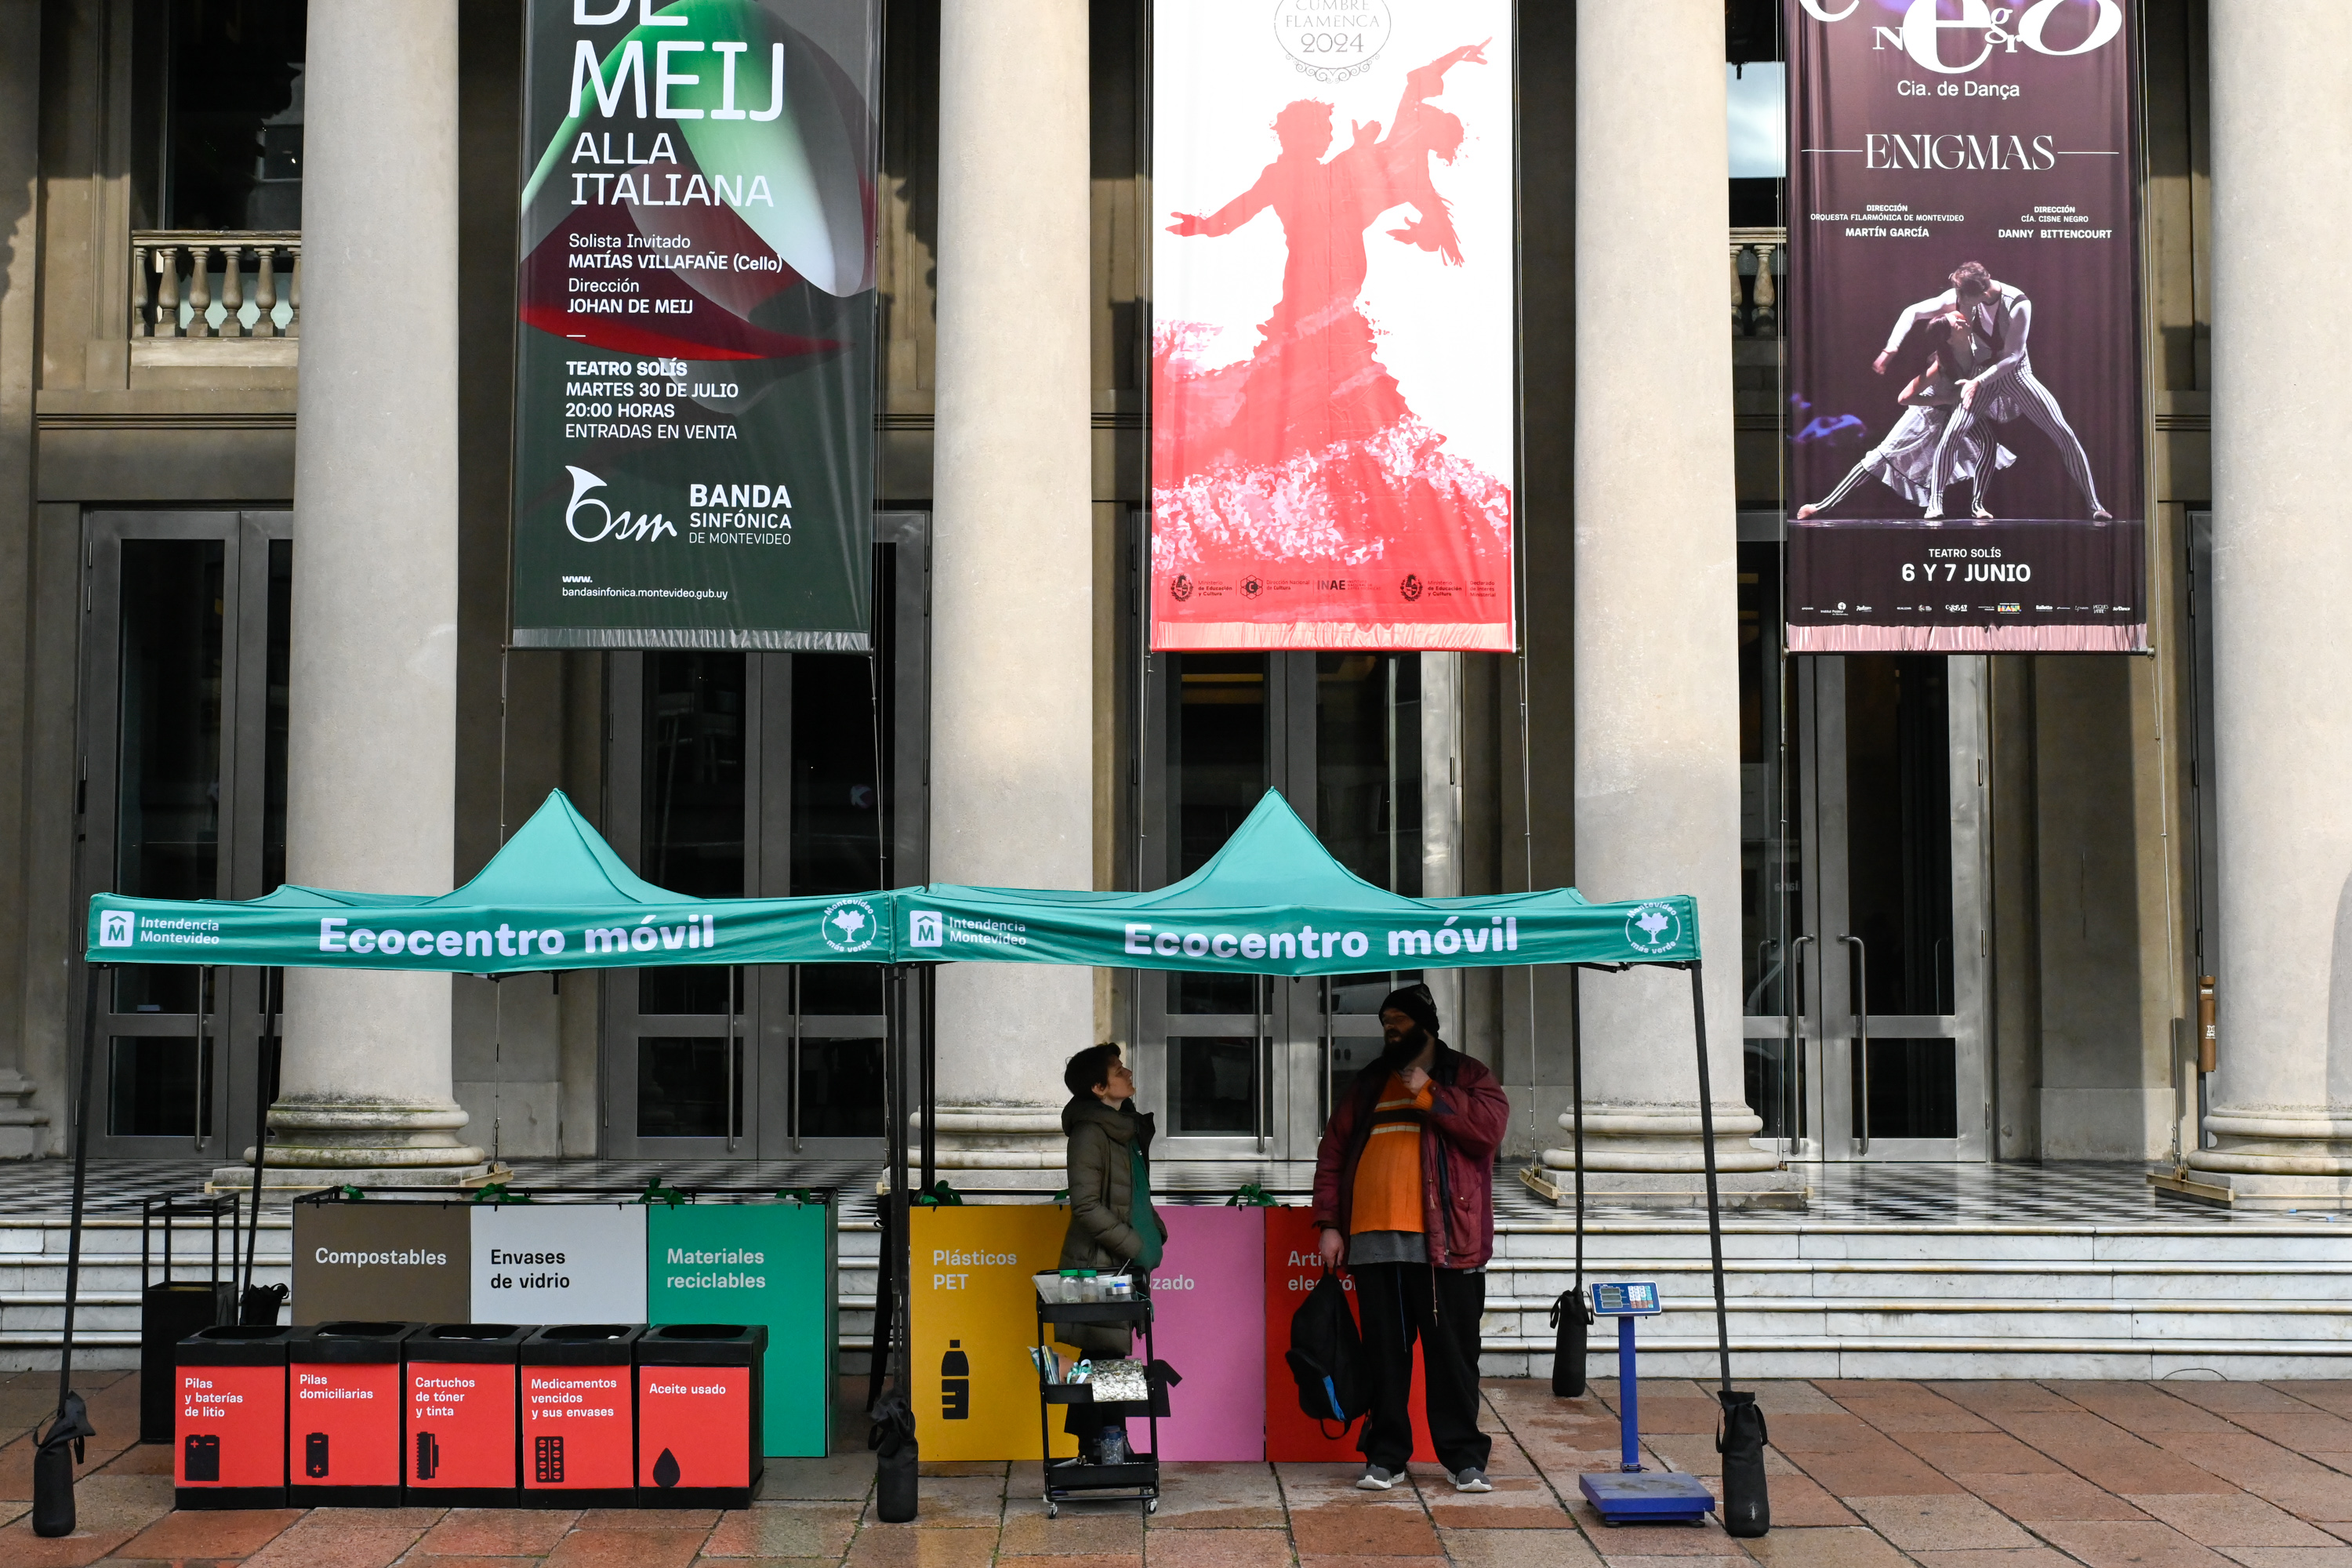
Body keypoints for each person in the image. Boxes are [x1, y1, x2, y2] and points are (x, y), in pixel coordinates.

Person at [1312, 984, 1510, 1493]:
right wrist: (1331, 1224)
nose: (1390, 1029)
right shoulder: (1369, 1082)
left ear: (1426, 1024)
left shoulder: (1467, 1076)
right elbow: (1333, 1154)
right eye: (1385, 1022)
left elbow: (1487, 1130)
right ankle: (1386, 1457)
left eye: (1399, 1020)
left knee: (1454, 1359)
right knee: (1384, 1360)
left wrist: (1430, 1091)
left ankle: (1464, 1460)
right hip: (1374, 1246)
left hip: (1446, 1246)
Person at [1875, 261, 2110, 522]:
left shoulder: (2018, 303)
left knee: (2063, 432)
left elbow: (2013, 355)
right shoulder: (1961, 297)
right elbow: (1913, 312)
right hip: (1979, 374)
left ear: (1980, 291)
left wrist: (1978, 382)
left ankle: (2094, 503)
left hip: (2015, 375)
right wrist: (1891, 348)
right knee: (1952, 433)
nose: (1958, 300)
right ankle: (1935, 503)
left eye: (1963, 295)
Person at [1052, 1043, 1167, 1465]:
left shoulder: (1124, 1129)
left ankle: (1102, 1445)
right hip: (1099, 1264)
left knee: (1105, 1355)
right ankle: (1108, 1445)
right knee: (1107, 1356)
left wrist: (1154, 1229)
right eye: (1118, 1069)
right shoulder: (1090, 1133)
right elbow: (1085, 1207)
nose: (1127, 1072)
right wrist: (1136, 1244)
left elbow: (1132, 1195)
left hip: (1117, 1262)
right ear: (1100, 1087)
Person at [1798, 306, 2015, 521]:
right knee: (1880, 456)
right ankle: (1820, 506)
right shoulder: (1941, 365)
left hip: (1957, 410)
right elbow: (1904, 397)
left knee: (1987, 442)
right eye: (1956, 323)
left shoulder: (1978, 348)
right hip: (1927, 412)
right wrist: (1945, 399)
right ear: (1949, 338)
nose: (1963, 322)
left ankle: (1977, 505)